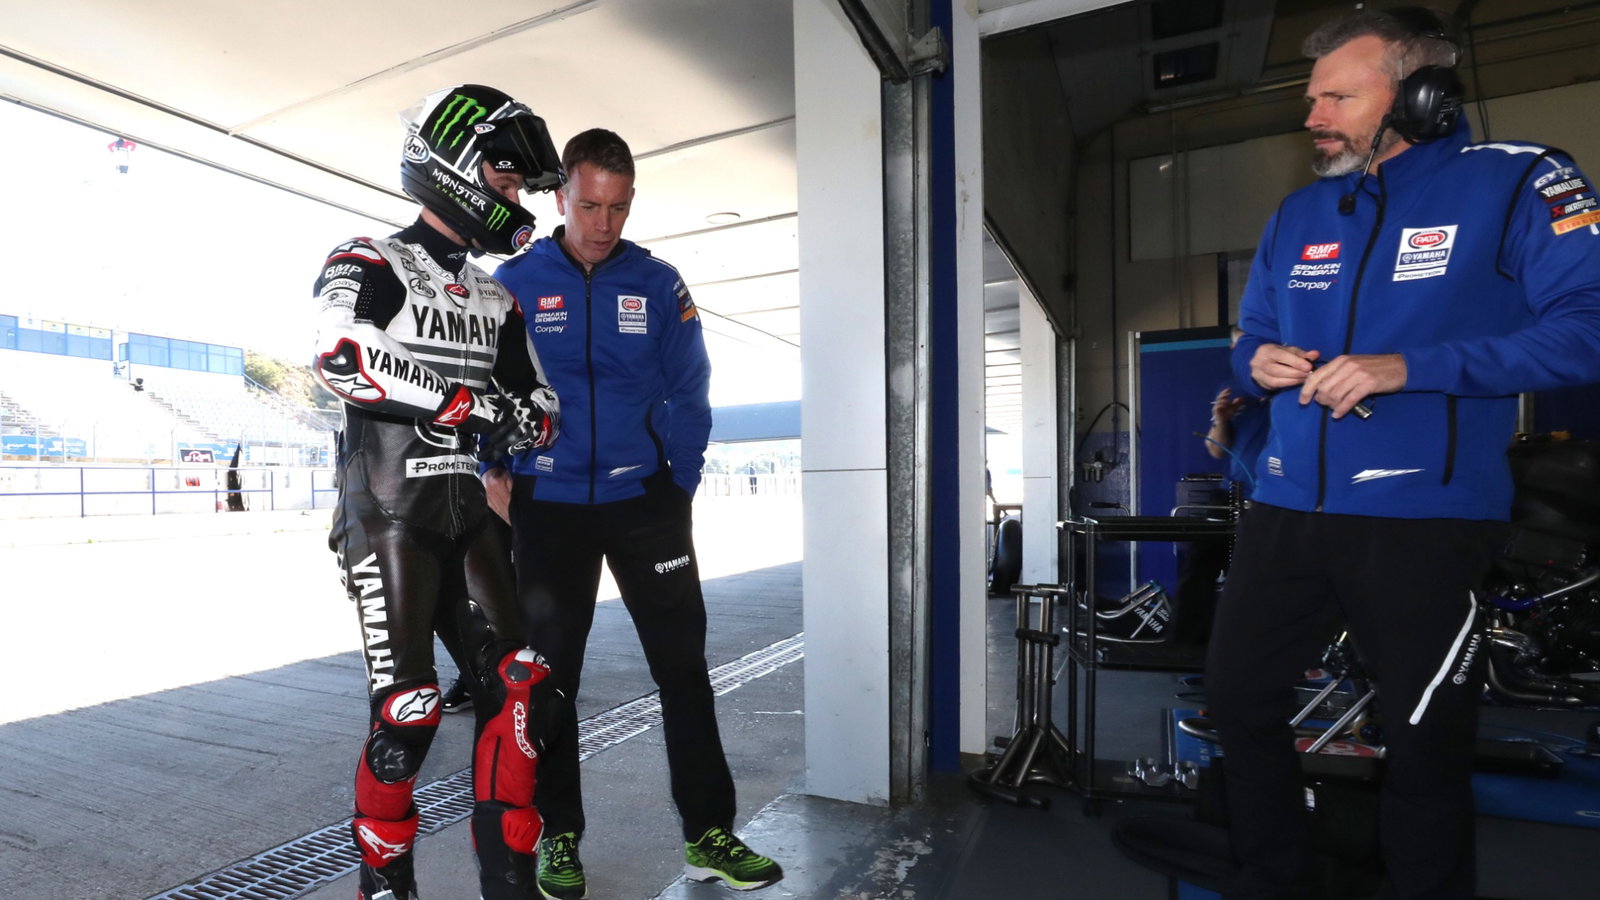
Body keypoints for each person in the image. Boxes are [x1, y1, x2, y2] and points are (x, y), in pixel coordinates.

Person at [1125, 7, 1600, 898]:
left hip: (1424, 516)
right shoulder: (1301, 212)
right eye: (1312, 98)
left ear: (1419, 96)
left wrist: (1410, 367)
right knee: (1237, 701)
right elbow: (1252, 336)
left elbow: (1589, 328)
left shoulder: (1520, 180)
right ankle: (1275, 876)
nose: (1314, 116)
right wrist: (1254, 364)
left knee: (1425, 740)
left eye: (1337, 97)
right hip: (1287, 510)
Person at [485, 128, 784, 898]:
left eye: (617, 208)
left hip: (644, 503)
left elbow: (691, 391)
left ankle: (709, 835)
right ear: (562, 198)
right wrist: (494, 467)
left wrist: (674, 486)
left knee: (684, 671)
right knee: (548, 681)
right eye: (589, 205)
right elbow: (485, 387)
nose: (602, 224)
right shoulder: (515, 280)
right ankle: (560, 838)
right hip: (547, 505)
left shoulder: (658, 284)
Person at [311, 83, 568, 900]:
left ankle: (511, 878)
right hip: (387, 518)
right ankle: (384, 883)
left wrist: (525, 417)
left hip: (468, 516)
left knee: (525, 683)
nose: (515, 195)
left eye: (521, 184)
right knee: (409, 711)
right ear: (454, 166)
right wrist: (462, 402)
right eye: (505, 175)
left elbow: (542, 402)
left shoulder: (498, 297)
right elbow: (338, 353)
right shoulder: (367, 258)